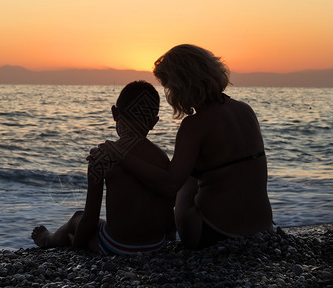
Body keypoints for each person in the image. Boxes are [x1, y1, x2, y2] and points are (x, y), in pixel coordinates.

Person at [98, 44, 273, 249]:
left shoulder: (194, 125)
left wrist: (119, 155)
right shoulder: (245, 110)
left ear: (183, 84)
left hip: (219, 234)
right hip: (263, 229)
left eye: (169, 86)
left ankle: (157, 233)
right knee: (193, 171)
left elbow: (170, 185)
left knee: (184, 181)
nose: (169, 93)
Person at [31, 81, 175, 255]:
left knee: (78, 217)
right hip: (156, 246)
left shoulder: (102, 157)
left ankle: (49, 238)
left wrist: (76, 246)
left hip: (117, 247)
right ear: (153, 122)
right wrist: (169, 240)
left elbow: (90, 219)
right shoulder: (161, 157)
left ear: (115, 113)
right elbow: (168, 213)